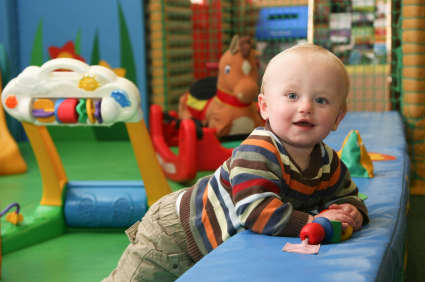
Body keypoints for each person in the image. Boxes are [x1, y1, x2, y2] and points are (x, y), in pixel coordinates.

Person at [103, 43, 369, 282]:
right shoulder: (259, 151)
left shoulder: (327, 162)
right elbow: (257, 211)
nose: (306, 107)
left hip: (211, 245)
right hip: (175, 235)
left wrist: (351, 212)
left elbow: (347, 195)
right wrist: (317, 219)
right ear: (264, 107)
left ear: (338, 118)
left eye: (321, 100)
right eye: (291, 96)